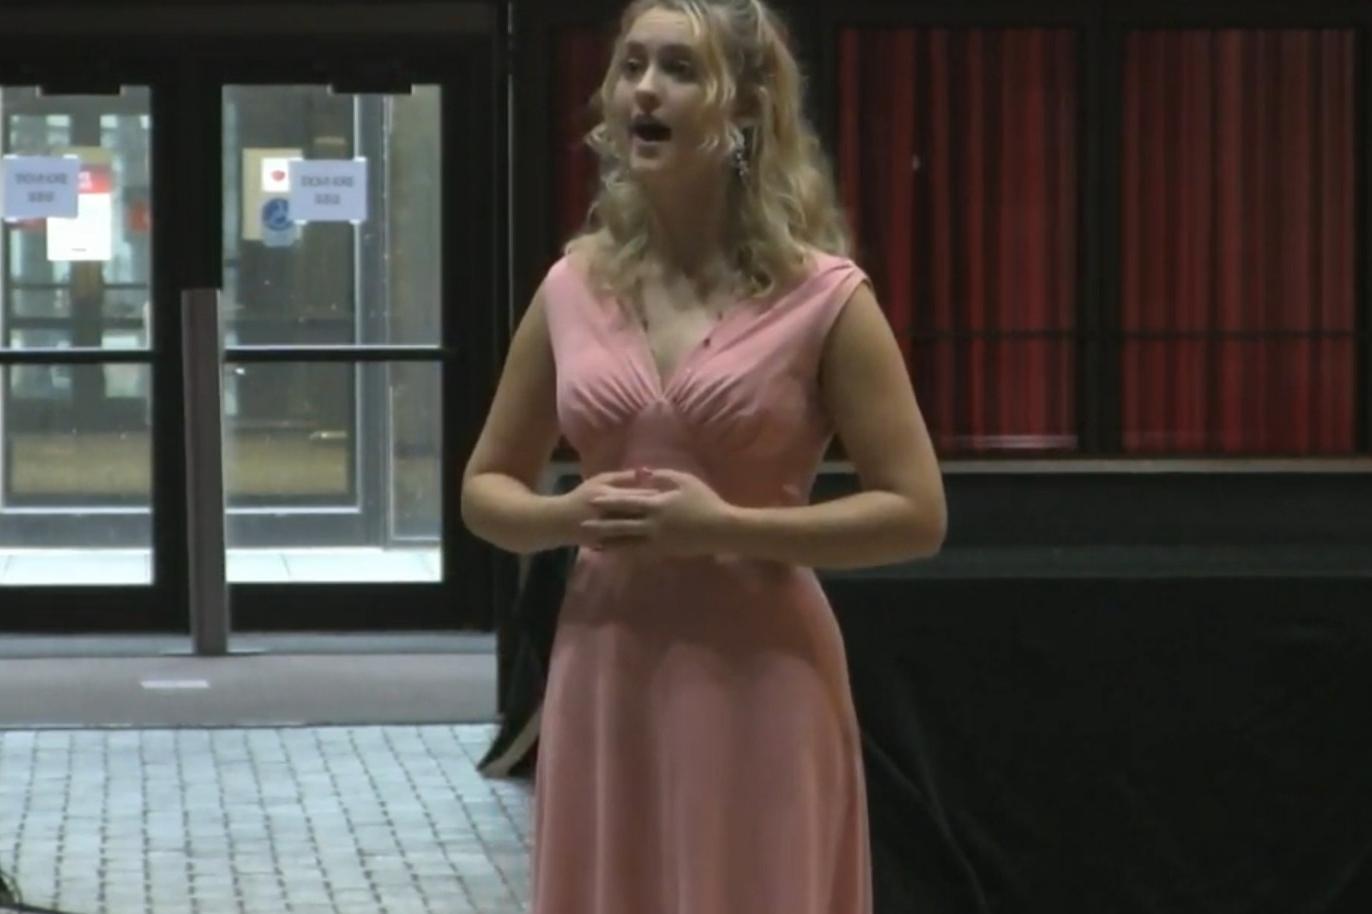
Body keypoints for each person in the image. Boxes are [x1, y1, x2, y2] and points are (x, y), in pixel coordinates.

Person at [461, 0, 946, 910]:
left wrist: (728, 527)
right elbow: (486, 489)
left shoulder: (826, 300)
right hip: (606, 668)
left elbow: (916, 514)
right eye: (631, 65)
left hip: (760, 676)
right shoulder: (572, 286)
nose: (644, 88)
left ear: (748, 109)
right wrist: (565, 517)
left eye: (679, 69)